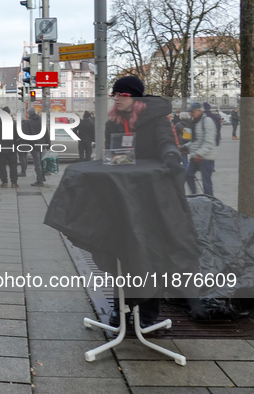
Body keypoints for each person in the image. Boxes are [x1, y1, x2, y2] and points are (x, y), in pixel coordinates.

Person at [105, 76, 183, 328]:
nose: (117, 99)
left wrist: (171, 154)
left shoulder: (156, 118)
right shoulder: (113, 122)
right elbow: (113, 153)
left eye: (122, 95)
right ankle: (121, 308)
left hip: (151, 197)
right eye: (114, 94)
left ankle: (147, 313)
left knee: (150, 254)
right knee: (122, 253)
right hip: (123, 196)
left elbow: (165, 141)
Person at [184, 102, 216, 196]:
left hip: (205, 157)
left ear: (199, 110)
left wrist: (199, 154)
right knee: (189, 176)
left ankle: (210, 202)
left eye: (192, 112)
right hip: (196, 156)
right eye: (190, 112)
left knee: (206, 183)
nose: (191, 114)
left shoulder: (207, 121)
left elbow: (209, 142)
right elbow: (195, 141)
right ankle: (195, 196)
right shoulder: (195, 122)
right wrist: (184, 147)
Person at [0, 107, 19, 188]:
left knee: (2, 166)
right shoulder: (13, 123)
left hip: (0, 149)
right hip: (12, 149)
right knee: (13, 166)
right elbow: (18, 136)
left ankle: (4, 182)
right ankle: (14, 182)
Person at [25, 107, 50, 186]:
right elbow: (46, 133)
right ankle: (42, 177)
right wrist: (48, 144)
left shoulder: (28, 122)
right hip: (42, 144)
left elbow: (26, 134)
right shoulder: (41, 121)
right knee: (41, 162)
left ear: (29, 114)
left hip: (34, 145)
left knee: (37, 163)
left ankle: (40, 180)